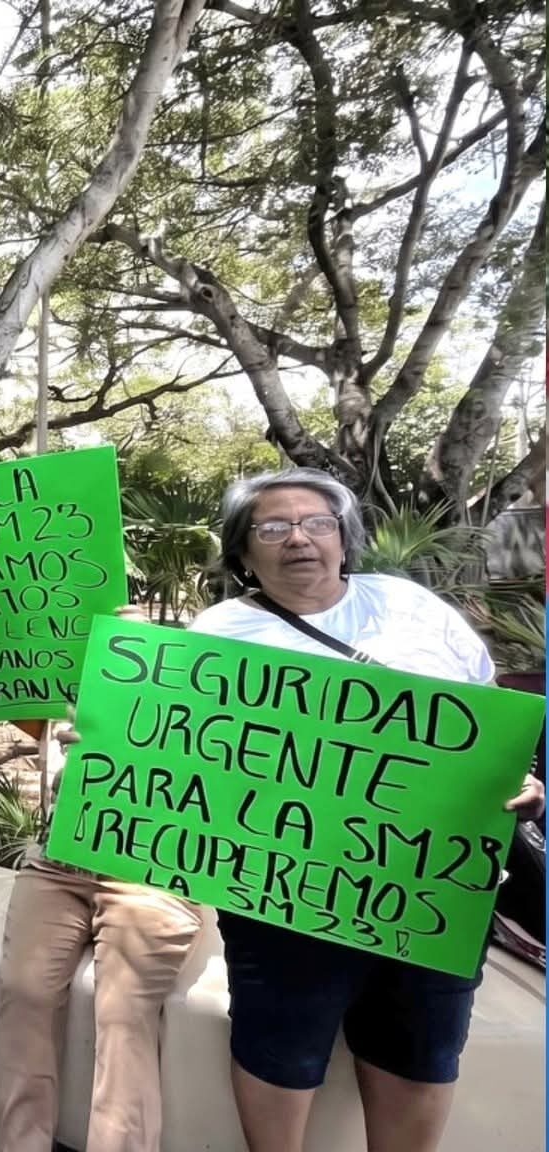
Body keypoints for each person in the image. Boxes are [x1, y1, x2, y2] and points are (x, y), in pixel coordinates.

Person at [190, 466, 545, 1152]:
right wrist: (117, 734)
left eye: (317, 522)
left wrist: (525, 785)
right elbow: (181, 744)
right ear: (243, 552)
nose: (299, 538)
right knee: (279, 1050)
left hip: (432, 886)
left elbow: (491, 721)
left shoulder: (414, 610)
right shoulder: (219, 632)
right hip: (283, 893)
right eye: (274, 526)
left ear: (344, 539)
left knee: (420, 1053)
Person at [0, 715, 202, 1152]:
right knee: (24, 991)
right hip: (62, 856)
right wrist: (62, 736)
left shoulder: (224, 655)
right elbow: (24, 702)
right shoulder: (83, 653)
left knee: (124, 1017)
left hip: (155, 869)